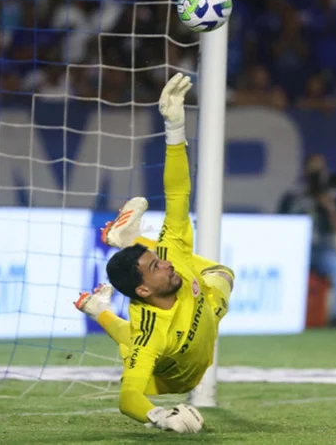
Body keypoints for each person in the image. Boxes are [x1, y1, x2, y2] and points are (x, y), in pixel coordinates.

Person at [74, 73, 235, 434]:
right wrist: (160, 416)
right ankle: (101, 302)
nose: (164, 262)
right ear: (143, 290)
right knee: (134, 341)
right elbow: (128, 397)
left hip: (202, 316)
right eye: (154, 266)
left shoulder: (171, 255)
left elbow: (177, 192)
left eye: (156, 258)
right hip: (172, 381)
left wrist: (174, 128)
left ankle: (128, 243)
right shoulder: (149, 334)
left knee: (223, 274)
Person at [278, 153, 336, 326]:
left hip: (321, 248)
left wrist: (328, 205)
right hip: (294, 248)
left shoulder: (332, 195)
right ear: (305, 171)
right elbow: (279, 224)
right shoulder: (293, 195)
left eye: (321, 169)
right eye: (313, 169)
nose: (317, 174)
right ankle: (284, 315)